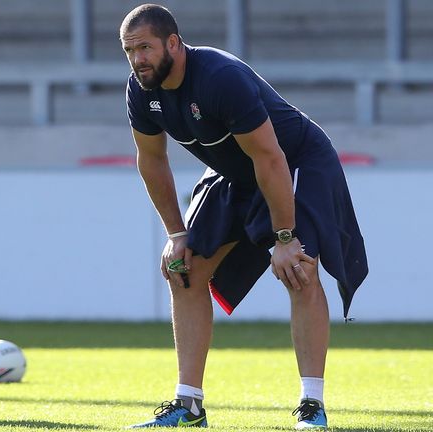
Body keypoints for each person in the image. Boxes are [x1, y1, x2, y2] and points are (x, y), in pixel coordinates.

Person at [120, 4, 367, 430]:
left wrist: (285, 238)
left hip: (293, 162)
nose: (137, 58)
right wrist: (175, 233)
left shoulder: (219, 77)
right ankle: (189, 406)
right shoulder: (141, 90)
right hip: (234, 170)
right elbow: (151, 160)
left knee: (299, 270)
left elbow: (270, 158)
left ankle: (312, 407)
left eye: (145, 47)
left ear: (174, 44)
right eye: (129, 50)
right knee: (184, 269)